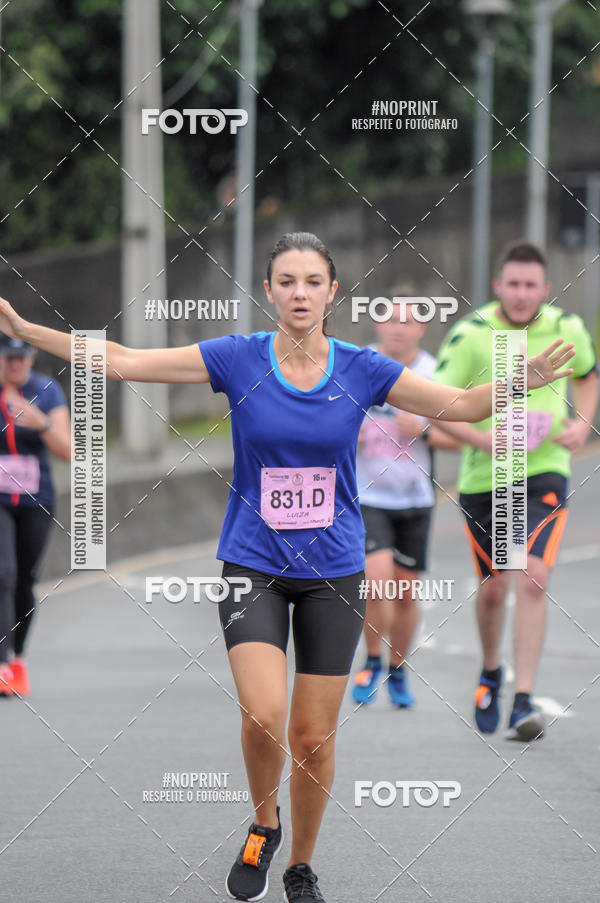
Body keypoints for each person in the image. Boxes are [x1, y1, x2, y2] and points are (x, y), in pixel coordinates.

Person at [0, 233, 575, 901]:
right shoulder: (238, 358)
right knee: (264, 715)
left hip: (334, 569)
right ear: (268, 289)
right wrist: (24, 328)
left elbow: (462, 405)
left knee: (313, 736)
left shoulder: (362, 368)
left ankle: (301, 864)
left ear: (333, 292)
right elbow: (124, 360)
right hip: (254, 563)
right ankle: (264, 820)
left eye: (312, 281)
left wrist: (517, 382)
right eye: (286, 280)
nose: (299, 292)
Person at [433, 239, 598, 742]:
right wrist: (478, 435)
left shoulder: (565, 327)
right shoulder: (471, 335)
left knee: (533, 577)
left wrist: (583, 422)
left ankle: (523, 699)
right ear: (496, 286)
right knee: (496, 586)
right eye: (513, 284)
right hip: (488, 478)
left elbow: (589, 375)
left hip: (545, 469)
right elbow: (438, 405)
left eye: (531, 285)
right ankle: (491, 669)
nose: (522, 294)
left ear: (546, 288)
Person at [353, 294, 458, 708]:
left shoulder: (434, 373)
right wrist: (348, 435)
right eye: (390, 320)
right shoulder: (360, 364)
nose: (398, 327)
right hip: (368, 495)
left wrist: (425, 431)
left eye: (407, 321)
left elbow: (459, 437)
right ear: (378, 326)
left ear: (421, 329)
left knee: (405, 593)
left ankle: (398, 669)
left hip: (414, 498)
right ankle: (372, 660)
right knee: (376, 582)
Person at [0, 336, 71, 697]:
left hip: (35, 499)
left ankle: (18, 660)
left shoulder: (46, 390)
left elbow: (69, 451)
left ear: (32, 356)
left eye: (22, 357)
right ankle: (0, 664)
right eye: (9, 358)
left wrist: (40, 423)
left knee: (25, 578)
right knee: (3, 574)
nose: (16, 365)